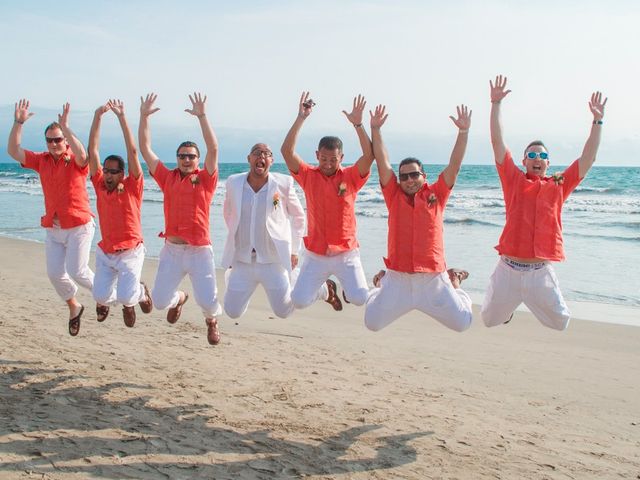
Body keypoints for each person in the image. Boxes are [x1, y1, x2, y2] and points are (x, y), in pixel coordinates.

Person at [482, 75, 607, 330]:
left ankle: (528, 299)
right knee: (489, 320)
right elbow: (497, 143)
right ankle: (509, 308)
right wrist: (495, 105)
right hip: (509, 268)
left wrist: (597, 120)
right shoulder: (513, 179)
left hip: (540, 272)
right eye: (532, 155)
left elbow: (588, 157)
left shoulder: (559, 184)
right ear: (524, 160)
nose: (537, 158)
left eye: (542, 155)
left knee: (561, 323)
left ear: (548, 162)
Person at [364, 104, 473, 332]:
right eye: (404, 176)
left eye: (414, 174)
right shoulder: (393, 194)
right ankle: (381, 282)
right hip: (397, 278)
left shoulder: (437, 194)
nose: (409, 179)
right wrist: (375, 129)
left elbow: (455, 165)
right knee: (372, 323)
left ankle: (456, 282)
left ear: (424, 176)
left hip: (432, 279)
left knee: (462, 323)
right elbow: (382, 162)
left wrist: (463, 132)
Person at [221, 143, 343, 319]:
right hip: (243, 260)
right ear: (249, 159)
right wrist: (236, 243)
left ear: (271, 160)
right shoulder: (233, 182)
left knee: (283, 312)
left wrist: (294, 251)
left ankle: (324, 290)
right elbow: (229, 213)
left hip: (273, 260)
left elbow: (299, 217)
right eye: (257, 153)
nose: (261, 156)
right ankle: (233, 277)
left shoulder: (283, 183)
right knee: (233, 312)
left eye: (266, 154)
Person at [138, 92, 222, 345]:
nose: (186, 160)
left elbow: (214, 148)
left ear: (197, 160)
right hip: (172, 251)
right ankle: (181, 298)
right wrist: (144, 117)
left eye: (191, 156)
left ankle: (211, 322)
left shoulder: (206, 179)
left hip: (199, 252)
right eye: (182, 156)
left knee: (208, 302)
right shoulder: (168, 178)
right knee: (162, 302)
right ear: (177, 159)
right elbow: (145, 149)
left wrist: (202, 117)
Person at [7, 100, 95, 336]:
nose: (55, 144)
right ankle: (74, 306)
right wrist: (19, 122)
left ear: (65, 140)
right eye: (50, 140)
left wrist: (66, 127)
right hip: (54, 227)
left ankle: (109, 295)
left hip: (79, 225)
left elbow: (83, 153)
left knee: (78, 271)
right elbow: (14, 151)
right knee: (55, 274)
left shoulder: (75, 160)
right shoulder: (42, 160)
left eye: (58, 139)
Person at [280, 92, 374, 310]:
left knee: (359, 298)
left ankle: (356, 288)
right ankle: (326, 290)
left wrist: (358, 125)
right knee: (299, 301)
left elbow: (369, 156)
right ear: (317, 155)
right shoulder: (308, 176)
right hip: (316, 254)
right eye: (324, 159)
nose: (328, 163)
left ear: (341, 158)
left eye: (333, 159)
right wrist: (301, 117)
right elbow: (286, 151)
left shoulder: (350, 177)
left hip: (346, 253)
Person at [87, 99, 153, 328]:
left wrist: (122, 117)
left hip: (131, 252)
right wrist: (98, 116)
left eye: (114, 172)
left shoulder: (133, 186)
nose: (108, 175)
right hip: (106, 252)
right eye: (106, 170)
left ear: (122, 173)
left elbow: (133, 151)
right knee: (100, 296)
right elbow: (91, 151)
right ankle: (132, 295)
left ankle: (140, 295)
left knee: (126, 297)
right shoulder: (99, 185)